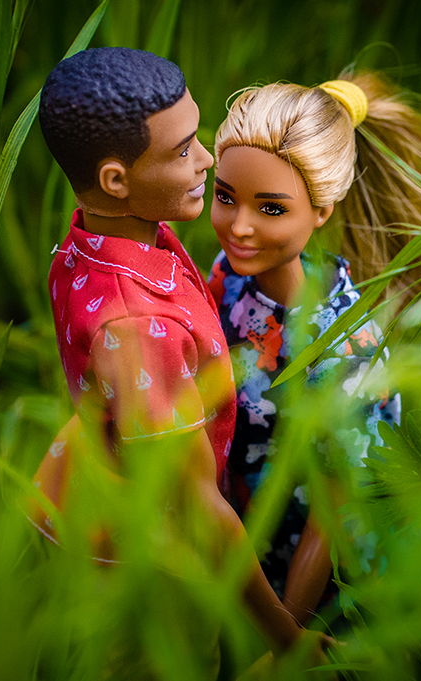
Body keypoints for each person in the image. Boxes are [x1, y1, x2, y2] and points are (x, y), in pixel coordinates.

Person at [26, 47, 325, 665]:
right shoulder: (140, 326)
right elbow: (199, 509)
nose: (206, 159)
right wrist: (288, 642)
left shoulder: (92, 242)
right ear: (117, 180)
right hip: (148, 561)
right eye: (183, 149)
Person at [207, 73, 421, 624]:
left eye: (270, 209)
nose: (239, 227)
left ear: (321, 212)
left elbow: (332, 515)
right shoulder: (229, 277)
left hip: (321, 584)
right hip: (235, 541)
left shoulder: (345, 347)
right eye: (225, 197)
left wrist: (284, 632)